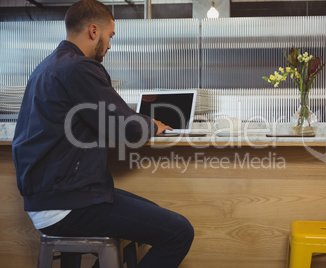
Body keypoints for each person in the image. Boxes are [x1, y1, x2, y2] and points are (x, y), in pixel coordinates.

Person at [11, 0, 194, 267]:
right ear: (94, 31)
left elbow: (102, 117)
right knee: (179, 231)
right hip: (66, 202)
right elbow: (126, 128)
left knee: (150, 215)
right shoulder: (80, 68)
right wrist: (154, 125)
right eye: (110, 36)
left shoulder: (47, 66)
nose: (109, 45)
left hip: (50, 196)